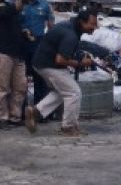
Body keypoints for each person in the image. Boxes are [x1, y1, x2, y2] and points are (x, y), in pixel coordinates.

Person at [25, 9, 99, 137]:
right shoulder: (70, 34)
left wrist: (79, 57)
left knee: (63, 91)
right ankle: (68, 127)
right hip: (49, 65)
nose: (94, 27)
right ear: (82, 22)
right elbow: (60, 59)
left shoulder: (72, 26)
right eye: (92, 24)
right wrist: (81, 63)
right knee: (74, 92)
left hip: (42, 62)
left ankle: (35, 112)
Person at [0, 0, 28, 130]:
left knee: (20, 86)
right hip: (2, 52)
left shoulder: (13, 10)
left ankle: (15, 117)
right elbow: (8, 11)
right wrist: (22, 0)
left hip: (17, 52)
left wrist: (23, 33)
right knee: (2, 87)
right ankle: (1, 118)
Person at [18, 0, 54, 110]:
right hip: (21, 43)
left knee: (39, 76)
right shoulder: (17, 5)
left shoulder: (44, 5)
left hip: (39, 43)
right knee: (21, 79)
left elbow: (51, 25)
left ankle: (40, 110)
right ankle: (21, 110)